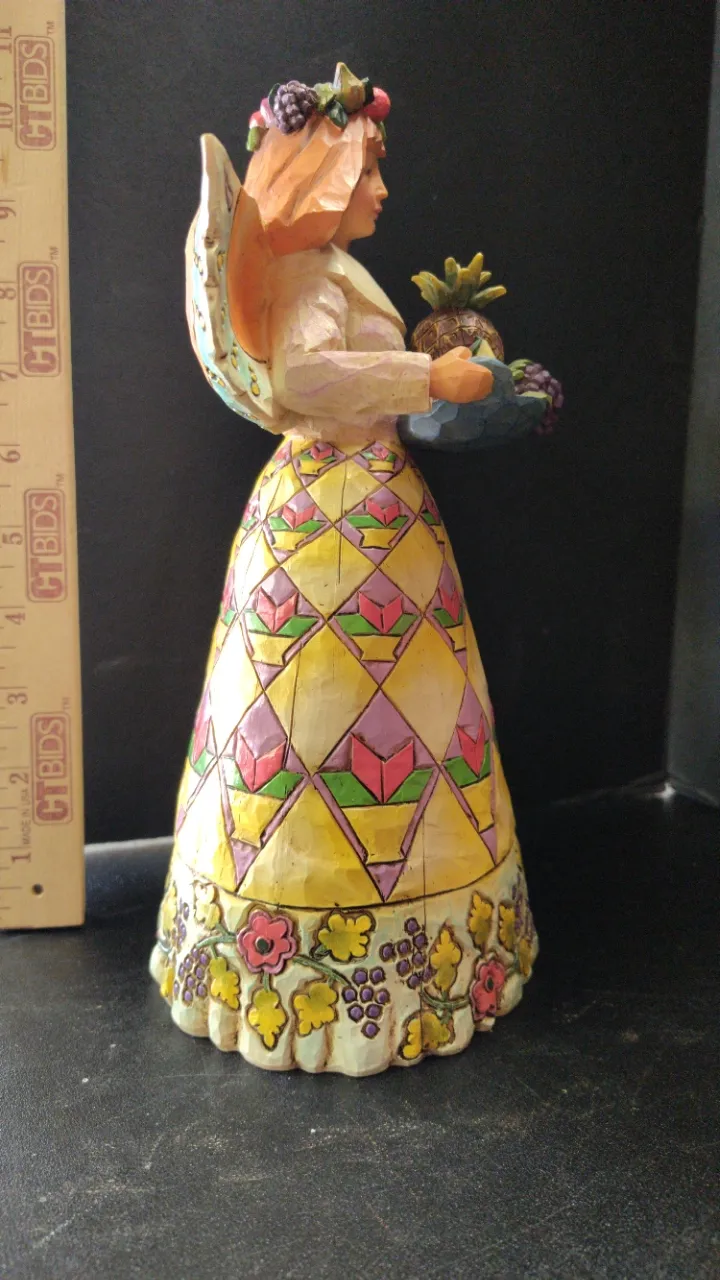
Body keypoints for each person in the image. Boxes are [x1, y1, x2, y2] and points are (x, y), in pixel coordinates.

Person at [150, 66, 538, 1075]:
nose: (382, 190)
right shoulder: (310, 278)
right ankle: (302, 962)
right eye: (368, 171)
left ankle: (417, 955)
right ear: (321, 178)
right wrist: (428, 375)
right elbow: (305, 374)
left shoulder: (328, 269)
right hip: (331, 513)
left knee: (397, 707)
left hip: (370, 507)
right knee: (309, 712)